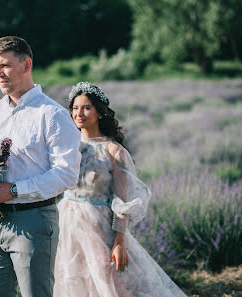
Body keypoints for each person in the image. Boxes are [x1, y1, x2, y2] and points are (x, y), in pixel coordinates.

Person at [0, 36, 81, 297]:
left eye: (5, 66)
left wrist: (14, 190)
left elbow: (67, 174)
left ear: (26, 64)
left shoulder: (52, 115)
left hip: (33, 222)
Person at [53, 82, 187, 297]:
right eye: (75, 108)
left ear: (99, 112)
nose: (79, 113)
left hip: (98, 227)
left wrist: (119, 241)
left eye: (86, 107)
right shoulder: (65, 146)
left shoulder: (113, 150)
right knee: (69, 278)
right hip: (65, 223)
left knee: (107, 280)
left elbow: (121, 201)